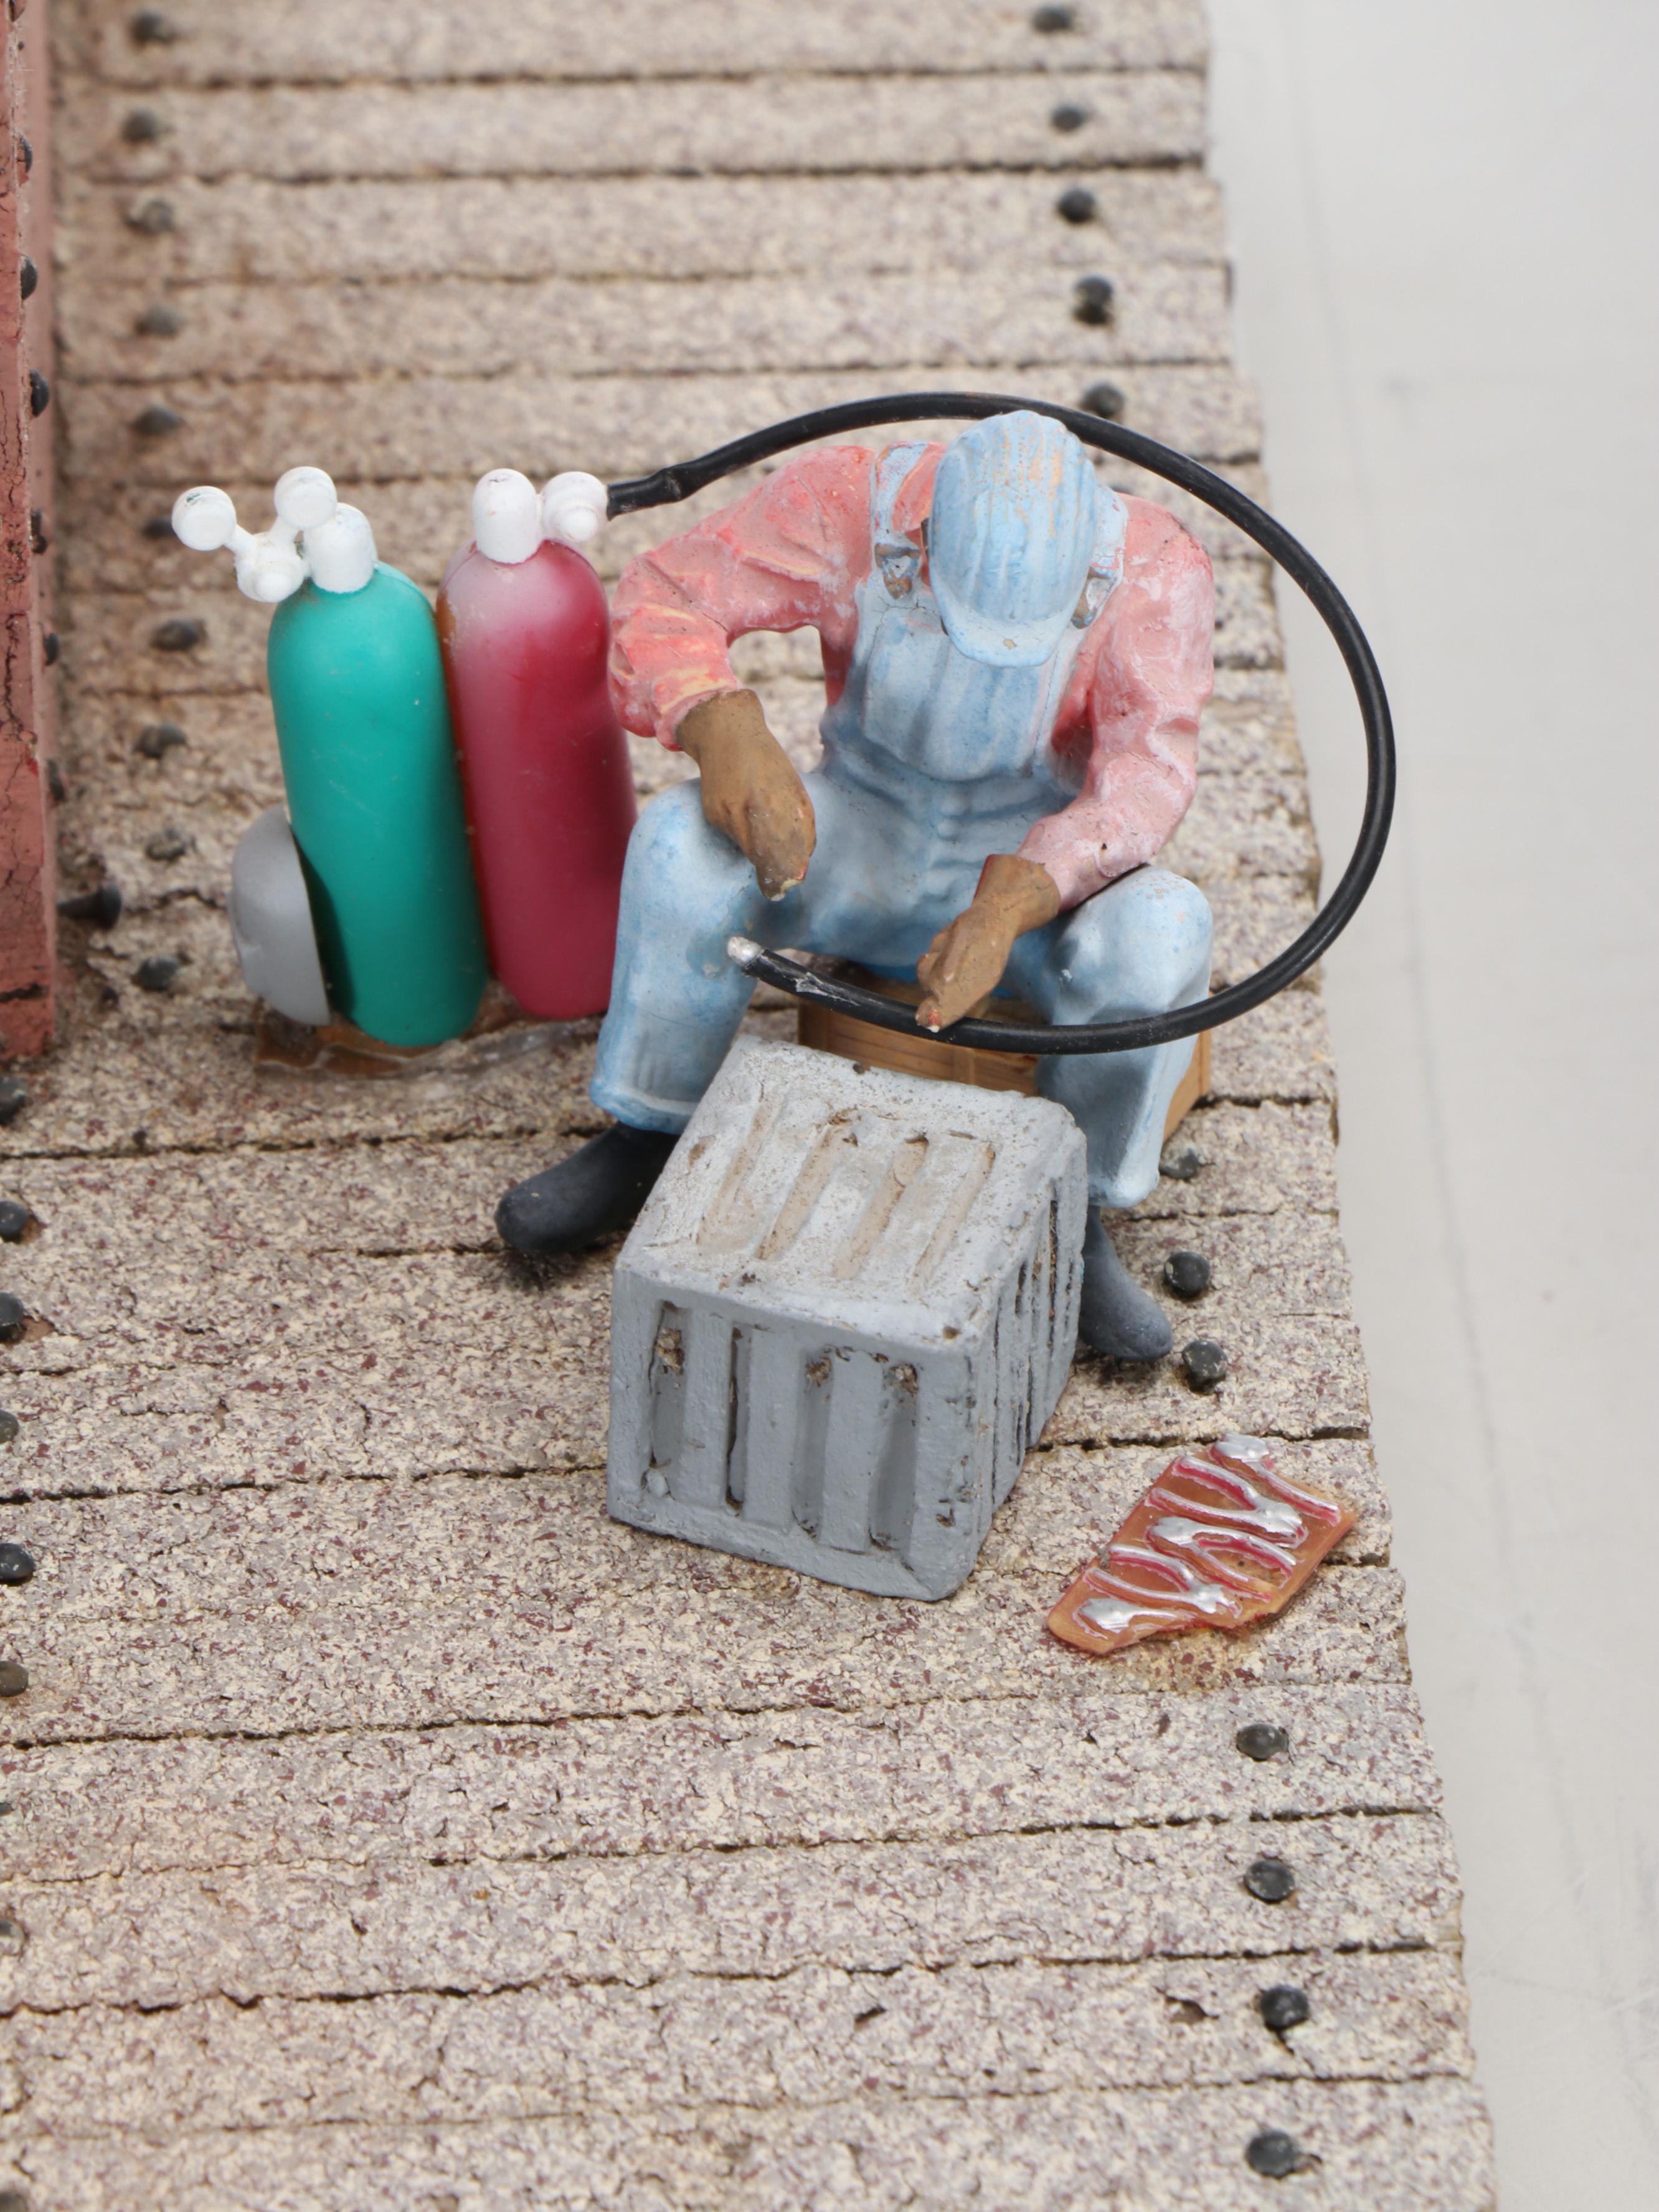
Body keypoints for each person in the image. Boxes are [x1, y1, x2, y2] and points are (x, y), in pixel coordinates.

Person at [498, 410, 1215, 1359]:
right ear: (924, 540)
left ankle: (1073, 1211)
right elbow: (667, 592)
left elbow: (1145, 776)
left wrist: (1016, 899)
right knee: (679, 844)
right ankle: (651, 1130)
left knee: (1163, 931)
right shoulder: (849, 505)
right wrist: (719, 723)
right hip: (861, 834)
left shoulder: (1155, 565)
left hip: (1039, 879)